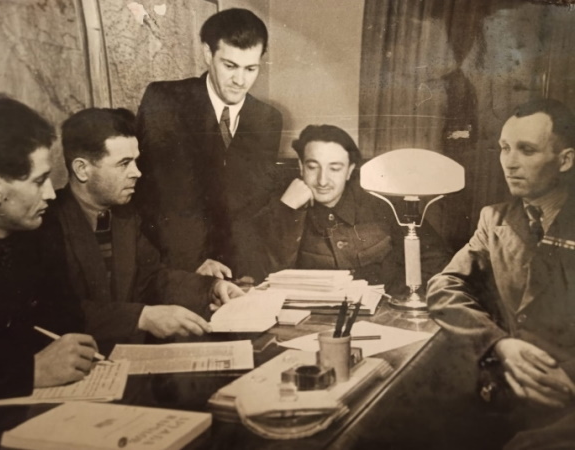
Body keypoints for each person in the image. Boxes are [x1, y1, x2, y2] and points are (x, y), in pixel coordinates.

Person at [427, 98, 575, 448]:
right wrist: (497, 342)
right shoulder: (494, 219)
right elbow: (444, 286)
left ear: (565, 160)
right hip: (505, 391)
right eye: (505, 148)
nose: (509, 162)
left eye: (527, 150)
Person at [44, 107, 244, 344]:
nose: (137, 173)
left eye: (135, 161)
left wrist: (211, 288)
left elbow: (153, 279)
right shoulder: (46, 224)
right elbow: (57, 312)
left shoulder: (125, 217)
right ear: (82, 169)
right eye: (124, 163)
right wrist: (141, 317)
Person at [136, 8, 283, 280]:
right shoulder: (165, 101)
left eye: (251, 69)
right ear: (207, 54)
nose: (240, 81)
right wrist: (194, 262)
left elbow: (252, 204)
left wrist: (248, 270)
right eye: (230, 66)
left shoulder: (268, 119)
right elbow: (164, 193)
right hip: (177, 264)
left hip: (240, 270)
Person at [0, 94, 98, 401]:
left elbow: (67, 321)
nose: (51, 194)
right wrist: (30, 371)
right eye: (39, 180)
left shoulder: (39, 233)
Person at [253, 124, 451, 294]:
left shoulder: (384, 202)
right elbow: (264, 278)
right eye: (313, 167)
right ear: (301, 166)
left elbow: (437, 261)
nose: (322, 180)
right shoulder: (281, 206)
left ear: (349, 170)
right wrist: (286, 211)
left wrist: (396, 302)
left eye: (335, 168)